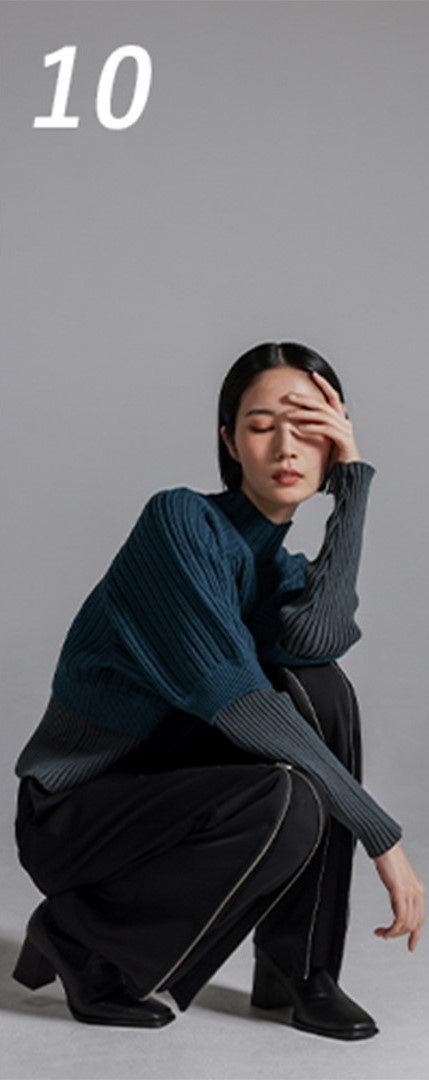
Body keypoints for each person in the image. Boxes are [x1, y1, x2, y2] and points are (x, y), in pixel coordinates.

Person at [12, 341, 424, 1040]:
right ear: (230, 442)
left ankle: (301, 970)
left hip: (170, 790)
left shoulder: (275, 570)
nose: (286, 447)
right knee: (287, 798)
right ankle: (82, 939)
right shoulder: (178, 525)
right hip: (79, 810)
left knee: (320, 688)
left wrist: (353, 484)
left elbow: (320, 640)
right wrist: (380, 833)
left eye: (310, 429)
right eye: (262, 426)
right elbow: (236, 699)